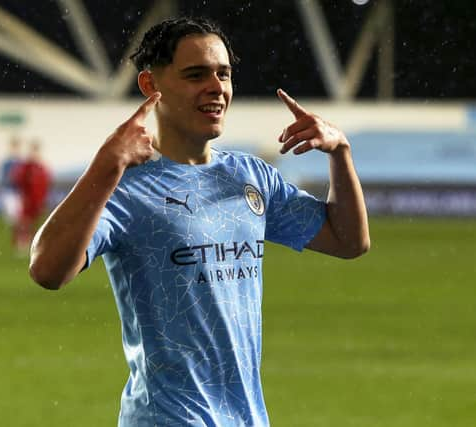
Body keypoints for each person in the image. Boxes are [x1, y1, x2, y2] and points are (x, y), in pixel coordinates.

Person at [29, 17, 370, 426]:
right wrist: (106, 164)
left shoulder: (251, 177)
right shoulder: (126, 188)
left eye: (223, 74)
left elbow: (347, 240)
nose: (216, 87)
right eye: (196, 75)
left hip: (245, 417)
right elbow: (47, 269)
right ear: (150, 86)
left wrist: (341, 154)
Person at [12, 139, 51, 255]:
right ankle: (21, 243)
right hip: (28, 199)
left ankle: (31, 244)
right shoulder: (27, 167)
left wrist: (43, 199)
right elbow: (18, 180)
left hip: (38, 200)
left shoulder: (41, 167)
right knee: (24, 222)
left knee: (34, 222)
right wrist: (24, 196)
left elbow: (46, 184)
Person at [0, 136, 23, 247]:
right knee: (12, 218)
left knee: (17, 218)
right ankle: (17, 239)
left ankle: (18, 240)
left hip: (17, 193)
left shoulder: (21, 163)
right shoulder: (7, 163)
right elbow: (4, 178)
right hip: (9, 192)